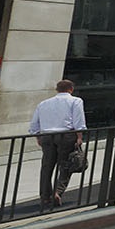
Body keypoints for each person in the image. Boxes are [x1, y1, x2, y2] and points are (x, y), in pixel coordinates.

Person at [28, 80, 87, 211]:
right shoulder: (75, 101)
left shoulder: (43, 103)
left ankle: (45, 196)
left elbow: (34, 124)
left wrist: (38, 136)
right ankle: (58, 191)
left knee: (47, 166)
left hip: (47, 136)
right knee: (66, 164)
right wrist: (79, 136)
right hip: (66, 135)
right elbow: (78, 119)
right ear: (71, 89)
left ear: (57, 89)